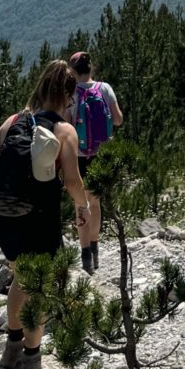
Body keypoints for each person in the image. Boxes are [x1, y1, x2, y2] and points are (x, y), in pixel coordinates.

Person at [0, 58, 91, 369]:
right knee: (36, 289)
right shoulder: (63, 130)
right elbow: (72, 181)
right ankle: (32, 358)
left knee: (19, 281)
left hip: (7, 220)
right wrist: (84, 208)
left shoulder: (12, 121)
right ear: (68, 96)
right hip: (40, 221)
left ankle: (11, 347)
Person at [69, 50, 123, 275]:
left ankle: (85, 257)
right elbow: (118, 119)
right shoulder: (105, 88)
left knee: (80, 205)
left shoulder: (70, 94)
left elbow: (65, 126)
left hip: (78, 156)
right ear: (91, 67)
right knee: (96, 203)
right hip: (101, 154)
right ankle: (95, 249)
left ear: (72, 71)